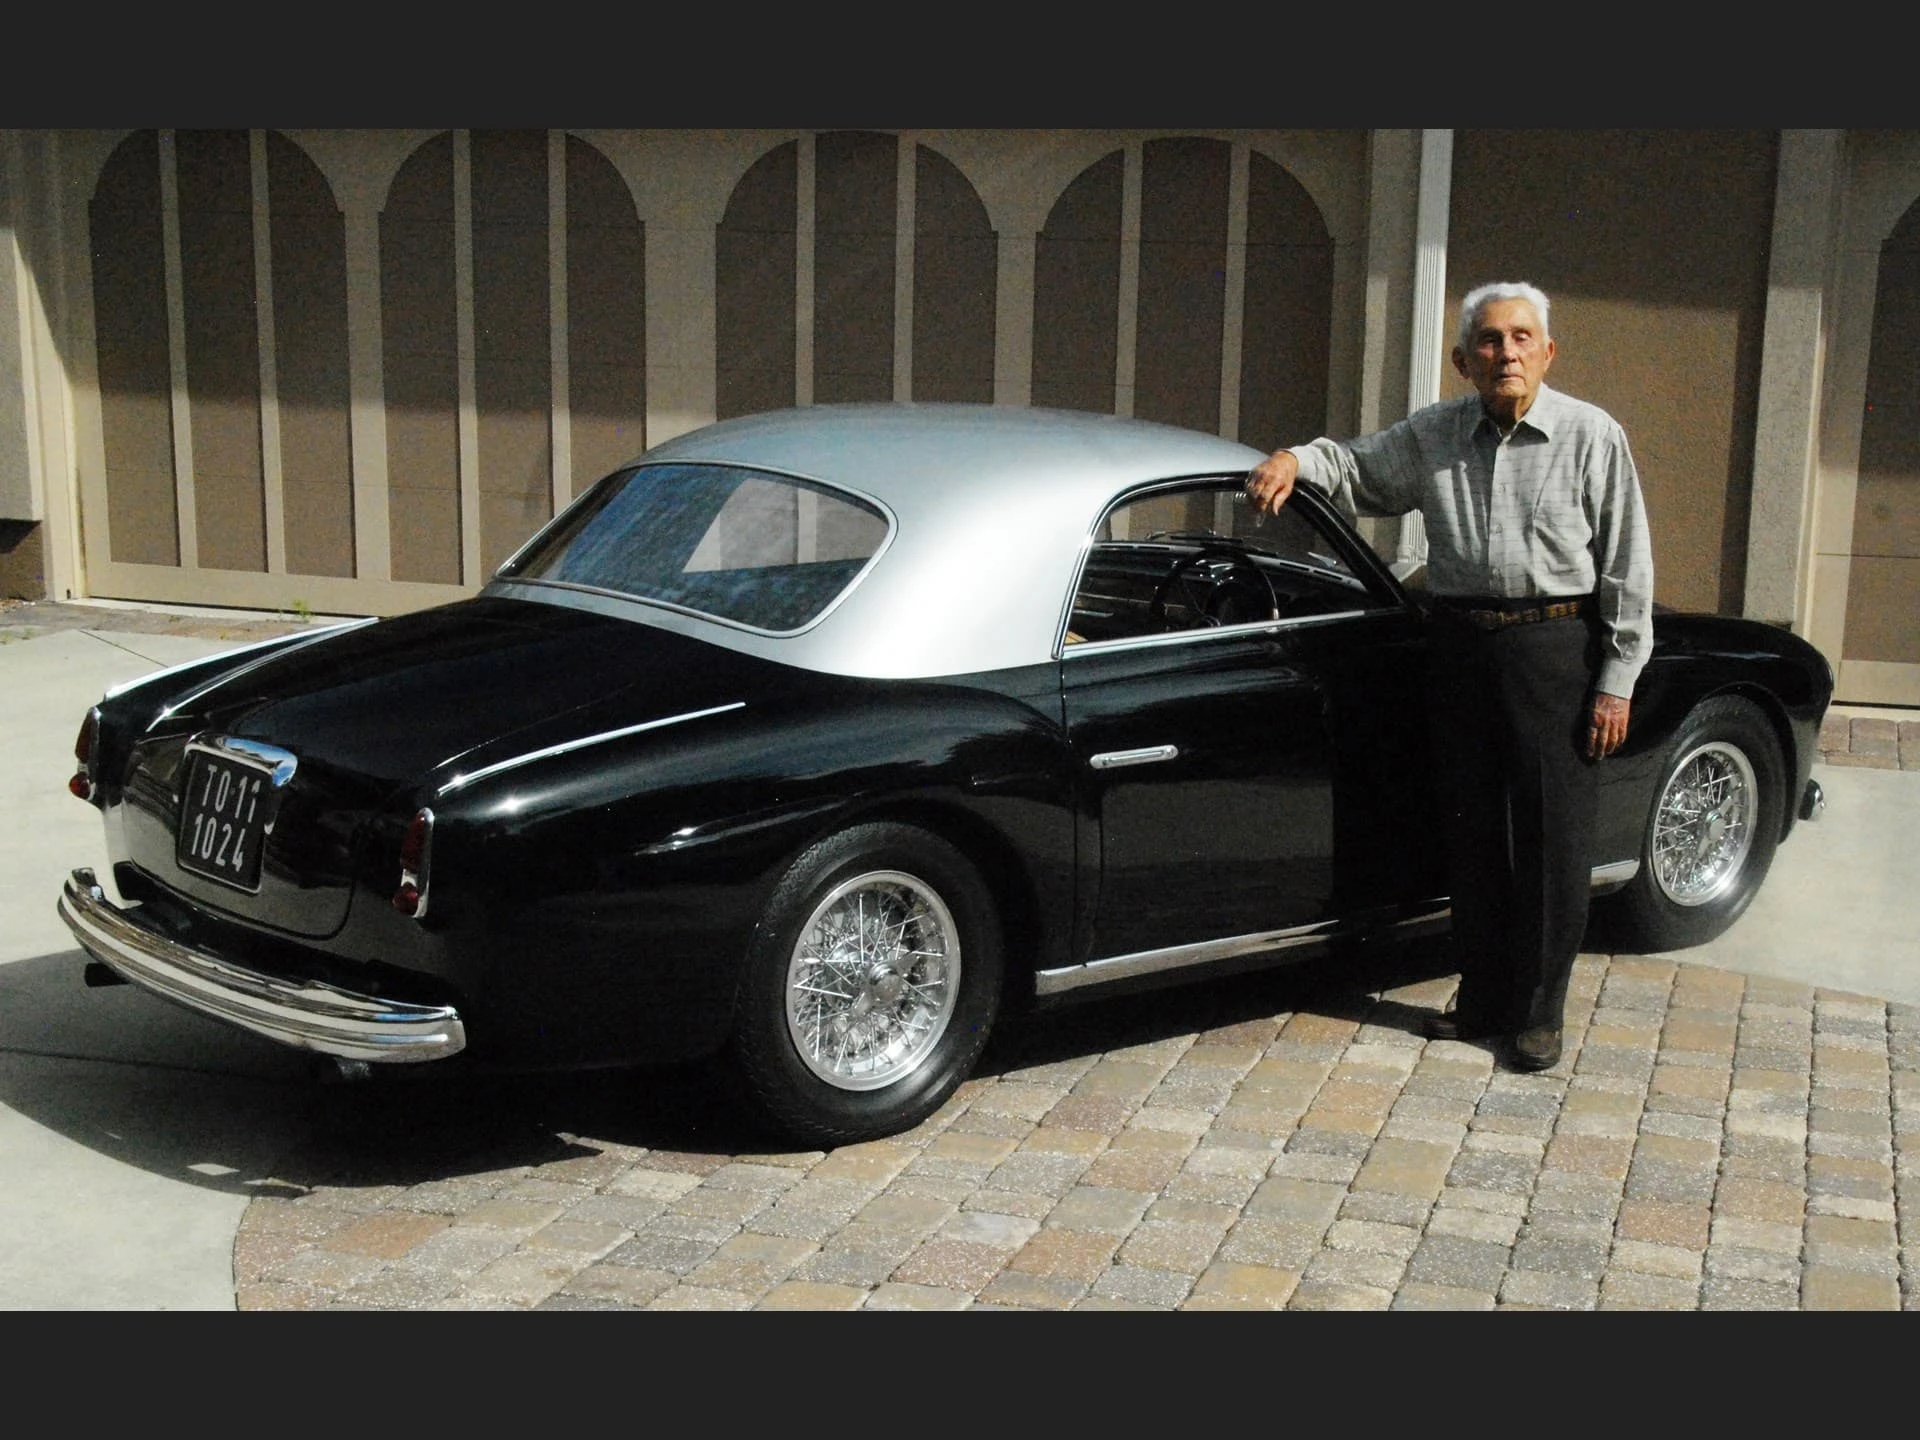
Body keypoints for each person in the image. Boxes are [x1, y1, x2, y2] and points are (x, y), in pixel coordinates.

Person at [1245, 281, 1653, 1072]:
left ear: (1548, 351)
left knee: (1549, 842)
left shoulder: (1591, 436)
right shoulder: (1435, 435)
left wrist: (1617, 680)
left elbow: (1628, 570)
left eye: (1522, 338)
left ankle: (1538, 1016)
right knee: (1472, 834)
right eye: (1491, 342)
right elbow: (1355, 466)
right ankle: (1483, 999)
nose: (1507, 353)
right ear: (1465, 360)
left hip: (1554, 651)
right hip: (1460, 649)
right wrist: (1295, 458)